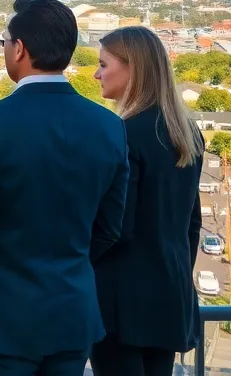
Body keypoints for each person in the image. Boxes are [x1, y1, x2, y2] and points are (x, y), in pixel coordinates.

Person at [0, 0, 129, 376]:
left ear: (19, 49)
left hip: (1, 317)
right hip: (72, 310)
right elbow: (109, 228)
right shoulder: (109, 126)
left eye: (4, 43)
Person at [90, 26, 204, 376]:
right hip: (171, 295)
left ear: (132, 68)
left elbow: (117, 228)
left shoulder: (122, 132)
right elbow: (192, 224)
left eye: (103, 64)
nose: (96, 73)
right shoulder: (187, 133)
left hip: (122, 301)